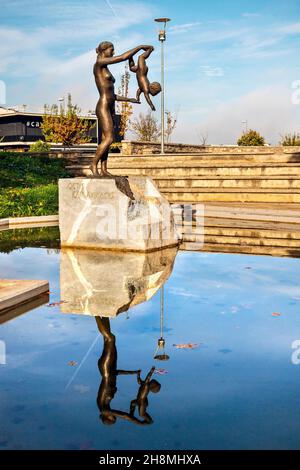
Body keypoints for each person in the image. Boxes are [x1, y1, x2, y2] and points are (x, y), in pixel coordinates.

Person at [91, 41, 151, 177]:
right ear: (103, 50)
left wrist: (130, 100)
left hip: (110, 104)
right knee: (109, 139)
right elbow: (123, 57)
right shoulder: (99, 64)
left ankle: (104, 169)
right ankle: (93, 164)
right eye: (111, 50)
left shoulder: (105, 67)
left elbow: (112, 94)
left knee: (106, 139)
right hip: (103, 106)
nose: (113, 52)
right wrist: (140, 47)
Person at [128, 45, 161, 111]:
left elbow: (139, 90)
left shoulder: (143, 88)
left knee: (132, 68)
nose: (152, 94)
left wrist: (137, 98)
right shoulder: (146, 88)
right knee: (141, 57)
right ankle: (150, 49)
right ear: (153, 89)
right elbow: (147, 98)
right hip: (142, 70)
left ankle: (130, 56)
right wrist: (151, 105)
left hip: (139, 71)